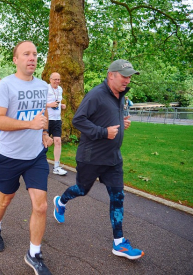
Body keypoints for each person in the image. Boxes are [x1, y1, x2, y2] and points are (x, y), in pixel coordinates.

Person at [53, 59, 144, 260]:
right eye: (124, 76)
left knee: (118, 196)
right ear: (111, 75)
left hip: (112, 158)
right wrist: (104, 132)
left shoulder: (120, 94)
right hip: (91, 157)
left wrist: (122, 122)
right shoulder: (96, 94)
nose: (127, 80)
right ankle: (61, 201)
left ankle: (119, 243)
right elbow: (78, 120)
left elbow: (107, 117)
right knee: (82, 190)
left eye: (130, 76)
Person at [0, 41, 53, 275]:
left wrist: (44, 132)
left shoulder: (43, 85)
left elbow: (42, 113)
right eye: (26, 54)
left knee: (41, 205)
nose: (32, 58)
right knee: (5, 200)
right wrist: (30, 124)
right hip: (9, 157)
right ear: (15, 59)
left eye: (35, 54)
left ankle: (34, 253)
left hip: (35, 156)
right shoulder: (6, 85)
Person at [46, 72, 67, 176]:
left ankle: (56, 166)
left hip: (57, 119)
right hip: (47, 119)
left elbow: (57, 102)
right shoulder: (45, 88)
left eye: (59, 79)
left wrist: (61, 105)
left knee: (57, 141)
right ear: (50, 79)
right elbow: (39, 103)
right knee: (44, 142)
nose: (57, 82)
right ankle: (38, 164)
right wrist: (50, 105)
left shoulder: (60, 89)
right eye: (55, 79)